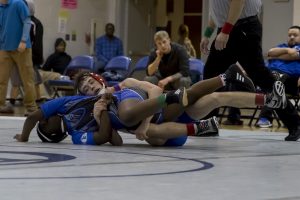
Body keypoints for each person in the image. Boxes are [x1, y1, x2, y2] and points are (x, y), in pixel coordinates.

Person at [14, 63, 286, 146]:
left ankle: (226, 76)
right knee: (213, 100)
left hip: (147, 107)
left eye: (91, 84)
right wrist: (100, 119)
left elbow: (154, 89)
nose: (90, 89)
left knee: (143, 120)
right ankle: (269, 100)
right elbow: (113, 139)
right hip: (159, 119)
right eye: (86, 88)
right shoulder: (82, 121)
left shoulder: (119, 86)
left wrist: (149, 112)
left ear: (98, 80)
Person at [200, 0, 300, 141]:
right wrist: (207, 34)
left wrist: (225, 31)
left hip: (242, 27)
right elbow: (217, 10)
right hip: (228, 27)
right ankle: (208, 125)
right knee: (211, 74)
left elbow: (238, 1)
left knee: (262, 78)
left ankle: (295, 122)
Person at [256, 25, 300, 128]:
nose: (292, 37)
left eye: (295, 35)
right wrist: (286, 50)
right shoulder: (282, 45)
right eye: (290, 35)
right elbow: (270, 53)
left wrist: (277, 54)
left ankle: (265, 118)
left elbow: (293, 55)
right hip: (271, 75)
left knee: (275, 81)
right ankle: (233, 118)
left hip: (291, 81)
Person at [0, 0, 38, 115]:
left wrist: (23, 40)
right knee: (1, 79)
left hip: (22, 48)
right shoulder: (1, 6)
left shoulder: (18, 3)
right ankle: (1, 105)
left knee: (27, 79)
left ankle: (31, 108)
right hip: (4, 48)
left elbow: (27, 21)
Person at [9, 0, 44, 104]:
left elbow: (35, 42)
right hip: (24, 54)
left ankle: (14, 99)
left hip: (28, 54)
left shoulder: (33, 23)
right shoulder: (26, 21)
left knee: (28, 78)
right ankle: (35, 99)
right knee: (30, 78)